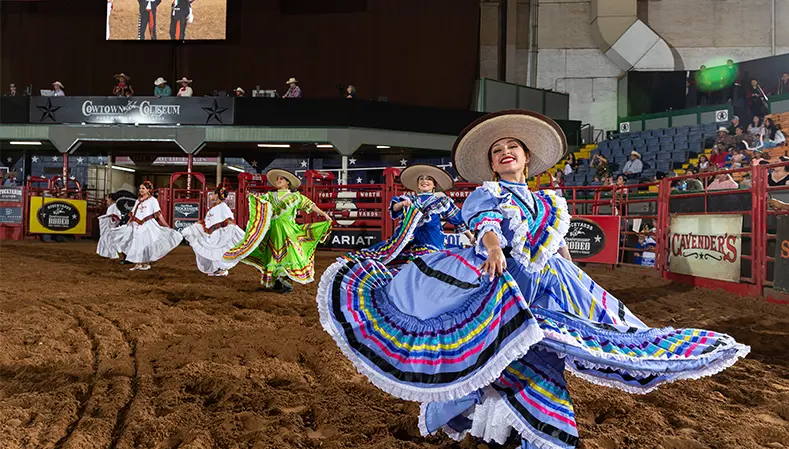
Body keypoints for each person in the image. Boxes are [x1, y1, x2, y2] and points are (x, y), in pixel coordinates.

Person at [317, 110, 749, 449]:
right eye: (497, 150)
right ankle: (521, 431)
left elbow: (557, 248)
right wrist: (490, 246)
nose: (505, 152)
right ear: (492, 163)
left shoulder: (549, 201)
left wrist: (576, 282)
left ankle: (516, 432)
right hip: (502, 288)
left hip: (545, 291)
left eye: (512, 147)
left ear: (526, 157)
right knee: (504, 360)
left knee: (542, 359)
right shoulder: (490, 193)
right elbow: (485, 221)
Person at [223, 169, 331, 293]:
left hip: (287, 230)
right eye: (278, 179)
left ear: (288, 183)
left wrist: (324, 214)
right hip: (272, 229)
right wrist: (251, 197)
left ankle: (285, 281)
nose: (279, 181)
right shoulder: (269, 196)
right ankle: (277, 282)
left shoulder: (296, 197)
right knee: (272, 255)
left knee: (288, 255)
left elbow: (311, 205)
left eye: (282, 179)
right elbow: (259, 203)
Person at [351, 165, 477, 268]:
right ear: (417, 185)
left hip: (431, 239)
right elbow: (394, 208)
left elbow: (456, 219)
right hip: (410, 240)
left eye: (428, 179)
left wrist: (471, 237)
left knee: (430, 265)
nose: (424, 181)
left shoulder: (441, 201)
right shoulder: (410, 199)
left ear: (434, 185)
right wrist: (402, 204)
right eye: (421, 179)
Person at [109, 181, 183, 271]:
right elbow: (133, 213)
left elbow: (158, 214)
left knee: (146, 244)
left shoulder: (153, 201)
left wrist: (165, 224)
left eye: (143, 188)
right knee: (137, 243)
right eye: (140, 188)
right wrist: (129, 222)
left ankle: (146, 263)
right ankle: (138, 263)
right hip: (136, 225)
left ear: (148, 190)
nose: (141, 190)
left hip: (147, 225)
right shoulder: (138, 200)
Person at [181, 187, 245, 276]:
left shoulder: (223, 207)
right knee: (213, 251)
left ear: (218, 195)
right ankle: (217, 269)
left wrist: (230, 230)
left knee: (218, 251)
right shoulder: (216, 207)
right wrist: (200, 223)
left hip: (220, 234)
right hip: (213, 234)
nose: (212, 195)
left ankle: (222, 269)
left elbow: (229, 220)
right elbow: (208, 221)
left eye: (214, 193)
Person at [97, 193, 122, 259]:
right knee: (107, 239)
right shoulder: (115, 206)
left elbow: (113, 217)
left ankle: (114, 254)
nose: (106, 200)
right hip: (112, 226)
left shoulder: (113, 207)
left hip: (110, 227)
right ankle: (108, 254)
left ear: (110, 199)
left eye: (107, 199)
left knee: (109, 240)